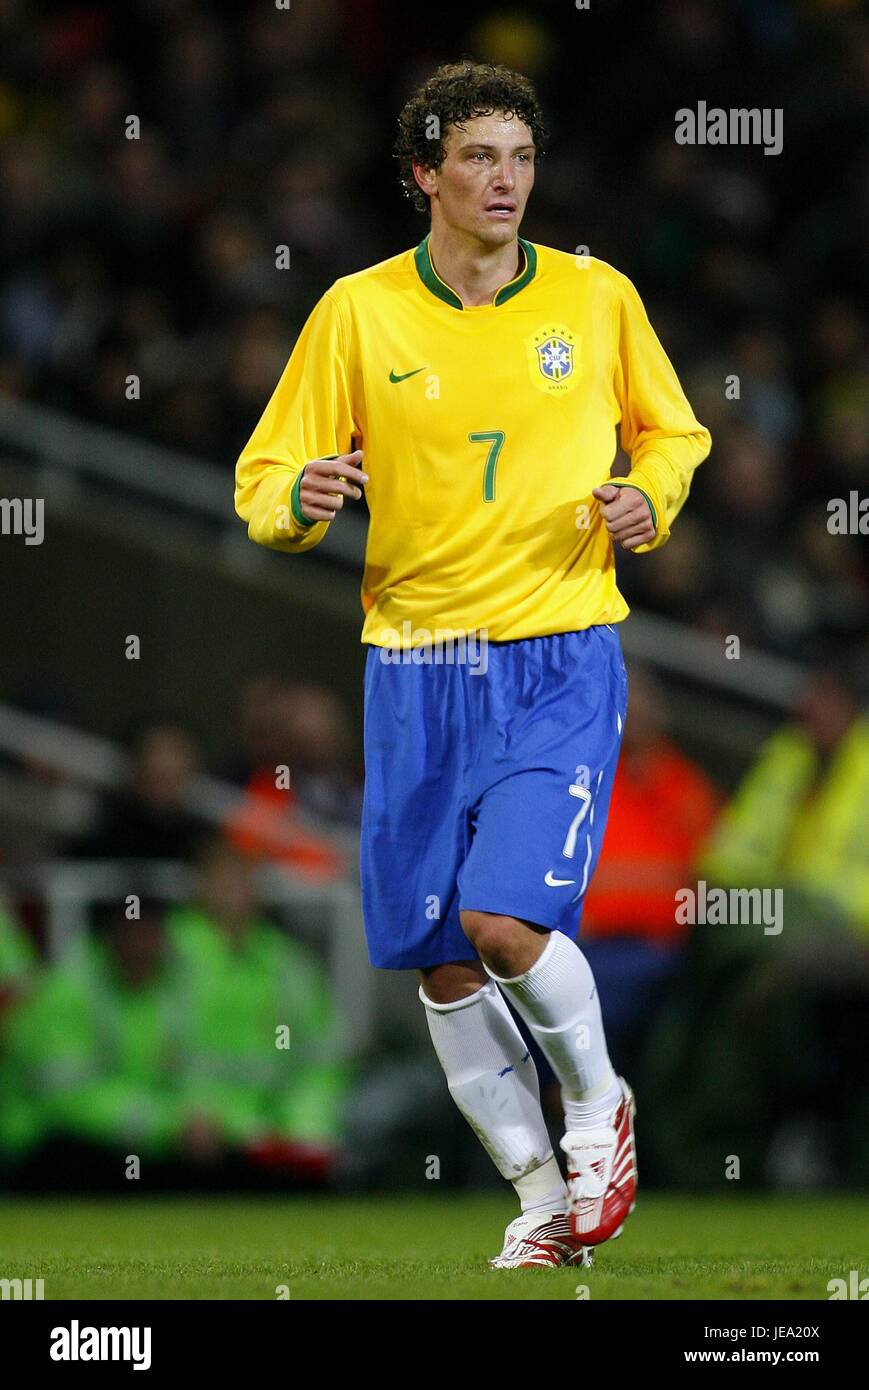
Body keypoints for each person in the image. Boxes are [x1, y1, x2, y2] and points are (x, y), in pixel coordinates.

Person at [235, 61, 710, 1268]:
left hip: (554, 652)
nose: (504, 181)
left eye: (520, 158)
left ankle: (599, 1106)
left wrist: (649, 497)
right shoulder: (355, 312)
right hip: (413, 664)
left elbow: (674, 430)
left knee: (503, 921)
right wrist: (304, 492)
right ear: (424, 176)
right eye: (478, 159)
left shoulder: (594, 298)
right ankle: (539, 1197)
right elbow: (262, 481)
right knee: (443, 962)